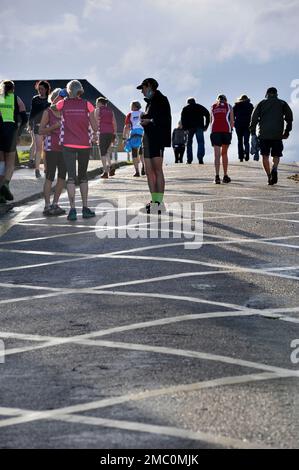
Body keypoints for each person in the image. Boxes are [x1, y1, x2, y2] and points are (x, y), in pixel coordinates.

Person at [55, 80, 98, 221]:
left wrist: (63, 95)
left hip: (67, 144)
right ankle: (85, 208)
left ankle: (72, 210)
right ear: (80, 90)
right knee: (83, 176)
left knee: (71, 178)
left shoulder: (63, 104)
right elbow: (95, 126)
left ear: (68, 91)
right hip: (84, 144)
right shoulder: (87, 104)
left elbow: (52, 107)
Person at [137, 78, 171, 214]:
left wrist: (149, 120)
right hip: (147, 138)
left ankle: (159, 203)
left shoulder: (162, 99)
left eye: (143, 88)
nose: (142, 92)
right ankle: (154, 200)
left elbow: (165, 119)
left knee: (157, 170)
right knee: (149, 171)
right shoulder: (149, 102)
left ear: (149, 86)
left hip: (157, 138)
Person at [250, 87, 293, 186]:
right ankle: (275, 169)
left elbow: (254, 119)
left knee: (265, 156)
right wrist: (286, 132)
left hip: (263, 135)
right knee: (276, 155)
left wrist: (253, 132)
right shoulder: (282, 103)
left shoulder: (261, 103)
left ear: (267, 94)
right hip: (277, 135)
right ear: (276, 94)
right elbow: (289, 118)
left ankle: (269, 176)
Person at [39, 88, 66, 216]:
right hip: (51, 148)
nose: (63, 101)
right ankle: (47, 205)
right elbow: (41, 131)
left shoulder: (66, 112)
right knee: (50, 176)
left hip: (64, 149)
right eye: (60, 98)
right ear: (54, 99)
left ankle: (55, 203)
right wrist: (54, 127)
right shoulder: (48, 112)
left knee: (62, 177)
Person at [0, 80, 27, 203]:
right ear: (13, 88)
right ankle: (5, 184)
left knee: (1, 164)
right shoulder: (17, 99)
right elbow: (25, 119)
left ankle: (0, 194)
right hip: (11, 131)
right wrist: (19, 133)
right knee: (10, 163)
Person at [28, 80, 51, 178]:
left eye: (42, 89)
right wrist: (29, 124)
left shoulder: (50, 100)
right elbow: (32, 112)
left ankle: (47, 169)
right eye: (39, 89)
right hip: (37, 126)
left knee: (46, 149)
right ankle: (37, 170)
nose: (40, 91)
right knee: (38, 149)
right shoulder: (35, 99)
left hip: (48, 127)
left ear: (46, 89)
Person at [210, 94, 234, 184]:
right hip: (226, 131)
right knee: (224, 153)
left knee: (216, 155)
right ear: (225, 100)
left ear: (217, 100)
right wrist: (231, 129)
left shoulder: (213, 106)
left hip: (215, 131)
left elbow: (211, 120)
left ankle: (216, 177)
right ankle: (225, 175)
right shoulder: (229, 106)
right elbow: (232, 121)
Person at [181, 97, 210, 164]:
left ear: (188, 102)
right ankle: (200, 159)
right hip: (199, 127)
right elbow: (207, 114)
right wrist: (206, 125)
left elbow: (183, 119)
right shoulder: (200, 107)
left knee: (189, 144)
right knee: (200, 142)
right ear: (194, 101)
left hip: (189, 128)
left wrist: (184, 129)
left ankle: (189, 160)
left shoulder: (185, 108)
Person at [95, 97, 117, 179]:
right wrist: (114, 133)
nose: (96, 104)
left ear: (100, 103)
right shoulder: (111, 111)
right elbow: (114, 122)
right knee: (107, 151)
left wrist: (95, 133)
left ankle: (105, 172)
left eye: (96, 103)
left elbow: (96, 122)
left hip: (102, 132)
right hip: (110, 132)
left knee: (102, 152)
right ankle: (110, 166)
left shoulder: (98, 110)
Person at [123, 101, 145, 177]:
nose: (131, 107)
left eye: (131, 106)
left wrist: (124, 137)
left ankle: (137, 171)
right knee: (142, 152)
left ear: (134, 106)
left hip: (133, 134)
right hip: (142, 133)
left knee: (134, 153)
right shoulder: (143, 113)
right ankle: (143, 166)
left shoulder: (130, 114)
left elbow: (126, 127)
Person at [233, 95, 254, 162]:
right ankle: (247, 154)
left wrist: (233, 122)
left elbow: (232, 115)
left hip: (238, 125)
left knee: (240, 141)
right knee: (246, 141)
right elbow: (253, 115)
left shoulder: (236, 105)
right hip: (247, 125)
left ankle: (241, 157)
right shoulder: (250, 105)